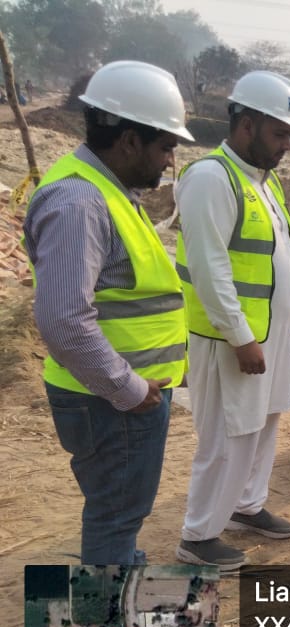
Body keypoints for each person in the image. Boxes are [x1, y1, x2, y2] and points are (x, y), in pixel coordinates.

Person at [23, 60, 193, 565]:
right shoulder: (80, 201)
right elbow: (62, 319)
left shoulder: (111, 192)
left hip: (118, 398)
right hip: (111, 401)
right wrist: (130, 389)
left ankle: (118, 606)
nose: (169, 160)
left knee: (119, 515)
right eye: (165, 146)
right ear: (129, 140)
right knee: (114, 517)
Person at [174, 71, 290, 571]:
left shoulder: (261, 184)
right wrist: (241, 336)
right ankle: (198, 534)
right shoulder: (211, 178)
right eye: (280, 134)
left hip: (266, 339)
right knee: (227, 437)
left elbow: (275, 263)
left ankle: (246, 506)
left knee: (265, 423)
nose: (288, 146)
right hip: (232, 342)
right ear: (246, 125)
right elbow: (211, 270)